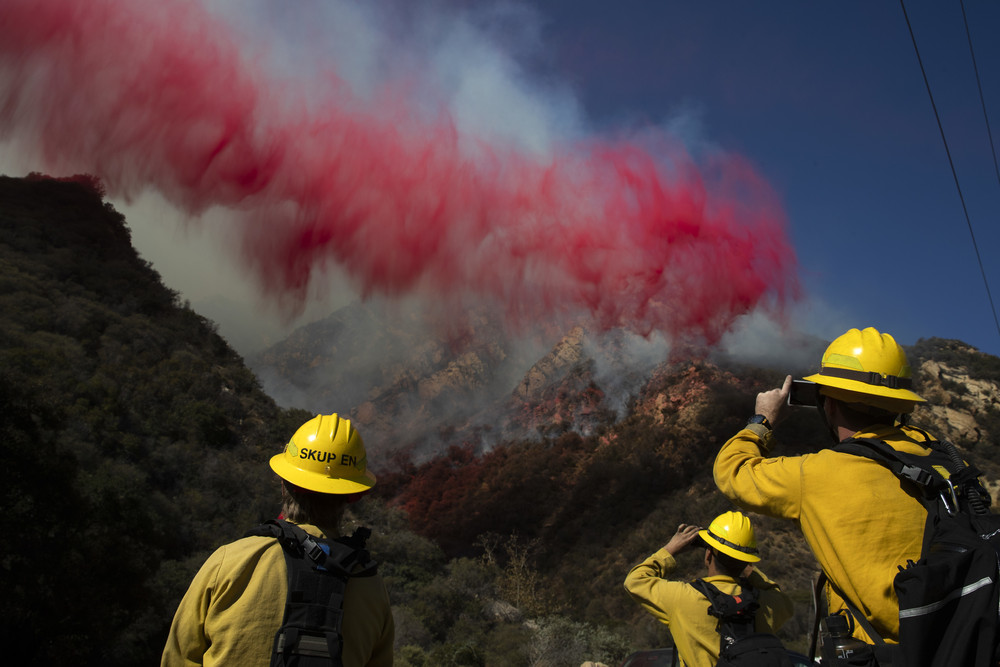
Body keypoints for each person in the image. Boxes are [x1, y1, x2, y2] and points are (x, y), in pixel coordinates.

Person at [714, 326, 941, 646]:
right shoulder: (944, 460)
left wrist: (762, 421)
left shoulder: (819, 474)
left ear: (829, 405)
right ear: (900, 405)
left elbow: (731, 471)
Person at [162, 413, 394, 667]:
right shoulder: (370, 585)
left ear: (284, 484)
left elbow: (177, 658)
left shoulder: (228, 563)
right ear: (352, 496)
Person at [624, 510, 794, 667]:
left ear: (708, 555)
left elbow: (634, 581)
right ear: (746, 560)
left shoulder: (682, 598)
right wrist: (745, 564)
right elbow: (782, 599)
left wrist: (670, 550)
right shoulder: (765, 604)